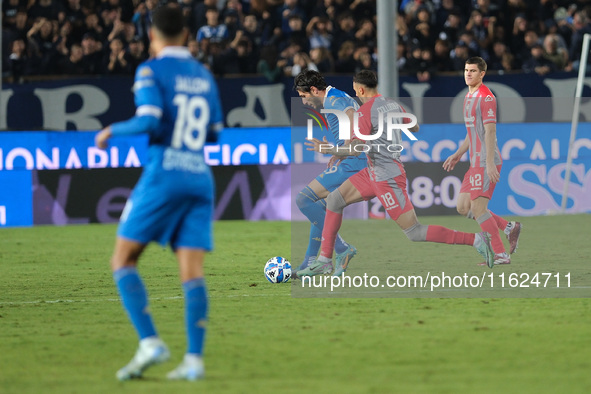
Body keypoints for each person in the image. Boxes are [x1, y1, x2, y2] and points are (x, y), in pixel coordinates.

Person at [94, 5, 222, 381]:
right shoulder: (204, 75)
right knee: (192, 271)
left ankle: (150, 342)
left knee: (123, 259)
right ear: (187, 35)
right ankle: (194, 361)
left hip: (165, 172)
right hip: (200, 175)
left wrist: (111, 130)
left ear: (152, 36)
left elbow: (149, 118)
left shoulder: (150, 70)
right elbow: (214, 132)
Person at [297, 70, 496, 278]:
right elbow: (415, 126)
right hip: (372, 171)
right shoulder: (392, 104)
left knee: (415, 232)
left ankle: (476, 239)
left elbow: (355, 150)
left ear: (361, 89)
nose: (355, 96)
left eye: (355, 91)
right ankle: (324, 261)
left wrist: (328, 150)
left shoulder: (365, 112)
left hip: (387, 177)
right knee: (334, 201)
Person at [443, 57, 521, 266]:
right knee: (463, 206)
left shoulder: (486, 97)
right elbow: (472, 131)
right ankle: (508, 227)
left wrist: (488, 163)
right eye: (466, 70)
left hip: (485, 160)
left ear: (482, 74)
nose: (468, 74)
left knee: (478, 209)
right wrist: (459, 153)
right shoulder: (469, 96)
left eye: (473, 71)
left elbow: (490, 130)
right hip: (474, 161)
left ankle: (500, 254)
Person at [294, 69, 365, 276]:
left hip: (356, 163)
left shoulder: (334, 101)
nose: (304, 102)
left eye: (304, 96)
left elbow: (354, 121)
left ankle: (342, 249)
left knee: (304, 200)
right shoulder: (338, 96)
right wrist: (340, 151)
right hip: (353, 159)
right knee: (320, 209)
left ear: (314, 90)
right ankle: (310, 262)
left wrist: (335, 150)